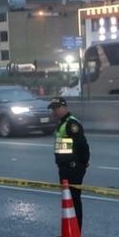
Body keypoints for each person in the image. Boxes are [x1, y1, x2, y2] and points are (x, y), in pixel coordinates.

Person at [49, 97, 90, 229]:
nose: (54, 112)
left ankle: (76, 232)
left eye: (56, 108)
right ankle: (69, 232)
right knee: (68, 201)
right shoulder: (62, 123)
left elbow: (82, 146)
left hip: (73, 169)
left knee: (74, 200)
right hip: (65, 168)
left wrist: (83, 163)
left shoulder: (71, 124)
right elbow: (64, 147)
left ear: (64, 107)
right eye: (52, 109)